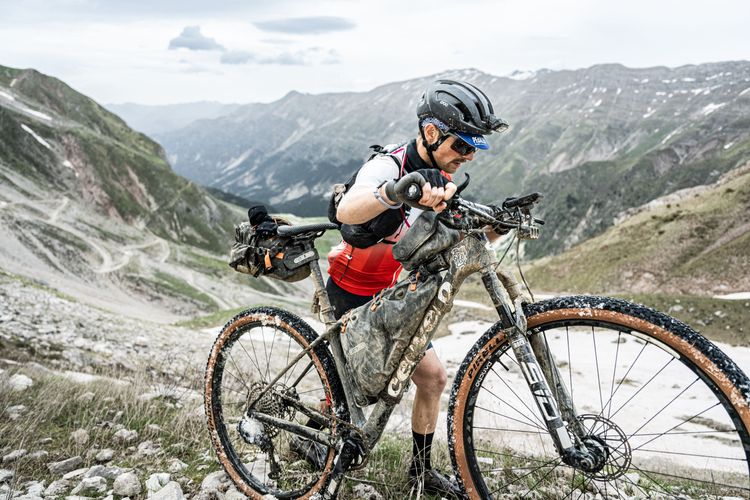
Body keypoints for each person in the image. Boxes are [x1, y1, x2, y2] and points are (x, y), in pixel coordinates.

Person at [302, 79, 508, 498]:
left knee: (431, 378)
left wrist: (493, 230)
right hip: (351, 286)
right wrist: (394, 192)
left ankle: (419, 472)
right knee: (352, 386)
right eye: (462, 146)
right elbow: (348, 209)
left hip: (395, 293)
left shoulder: (444, 179)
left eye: (474, 149)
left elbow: (449, 237)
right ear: (431, 133)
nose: (467, 158)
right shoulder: (388, 166)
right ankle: (311, 440)